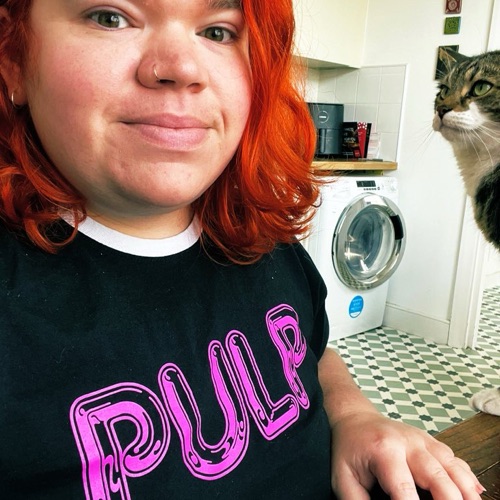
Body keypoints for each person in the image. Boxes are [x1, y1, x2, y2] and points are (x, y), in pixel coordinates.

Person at [0, 0, 485, 499]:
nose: (181, 68)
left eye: (218, 31)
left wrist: (352, 415)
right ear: (13, 56)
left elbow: (309, 352)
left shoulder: (261, 237)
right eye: (110, 17)